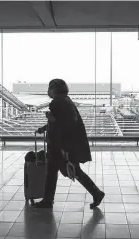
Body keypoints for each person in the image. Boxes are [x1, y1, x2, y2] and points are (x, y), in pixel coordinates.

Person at [34, 79, 105, 209]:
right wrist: (45, 127)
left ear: (54, 89)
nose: (47, 91)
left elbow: (60, 124)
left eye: (49, 88)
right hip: (66, 144)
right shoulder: (66, 100)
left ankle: (96, 193)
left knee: (72, 171)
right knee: (55, 170)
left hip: (61, 145)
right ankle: (48, 200)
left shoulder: (57, 103)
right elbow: (63, 121)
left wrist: (51, 120)